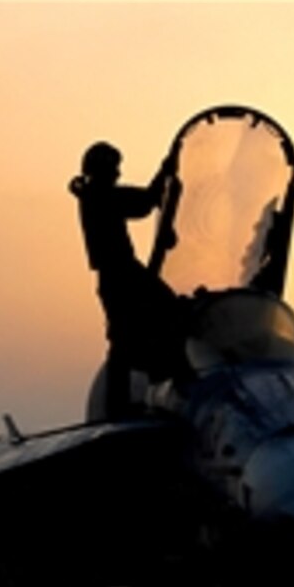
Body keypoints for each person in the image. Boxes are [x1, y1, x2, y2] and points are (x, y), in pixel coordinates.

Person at [69, 142, 178, 415]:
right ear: (103, 169)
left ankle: (134, 395)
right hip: (121, 274)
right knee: (167, 312)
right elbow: (144, 203)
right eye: (114, 167)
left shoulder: (93, 194)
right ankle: (133, 398)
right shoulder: (100, 196)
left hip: (118, 274)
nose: (118, 173)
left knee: (127, 338)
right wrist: (166, 170)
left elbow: (142, 202)